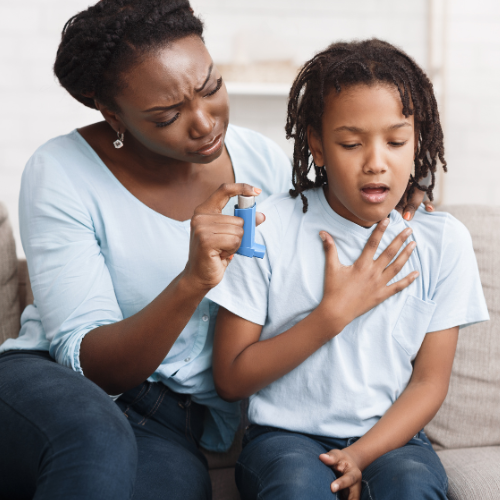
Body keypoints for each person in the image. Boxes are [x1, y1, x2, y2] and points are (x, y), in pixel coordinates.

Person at [0, 2, 430, 499]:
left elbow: (347, 193)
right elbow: (89, 365)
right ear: (112, 113)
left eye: (211, 88)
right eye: (167, 115)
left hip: (172, 422)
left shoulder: (260, 163)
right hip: (60, 388)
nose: (204, 123)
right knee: (95, 440)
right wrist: (192, 281)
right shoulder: (60, 172)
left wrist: (408, 189)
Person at [207, 39, 489, 500]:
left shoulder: (443, 241)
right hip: (286, 438)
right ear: (316, 143)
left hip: (394, 438)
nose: (376, 162)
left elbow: (429, 382)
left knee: (412, 487)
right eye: (351, 143)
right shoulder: (267, 226)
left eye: (396, 141)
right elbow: (231, 378)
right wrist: (333, 315)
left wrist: (361, 454)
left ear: (418, 141)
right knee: (296, 488)